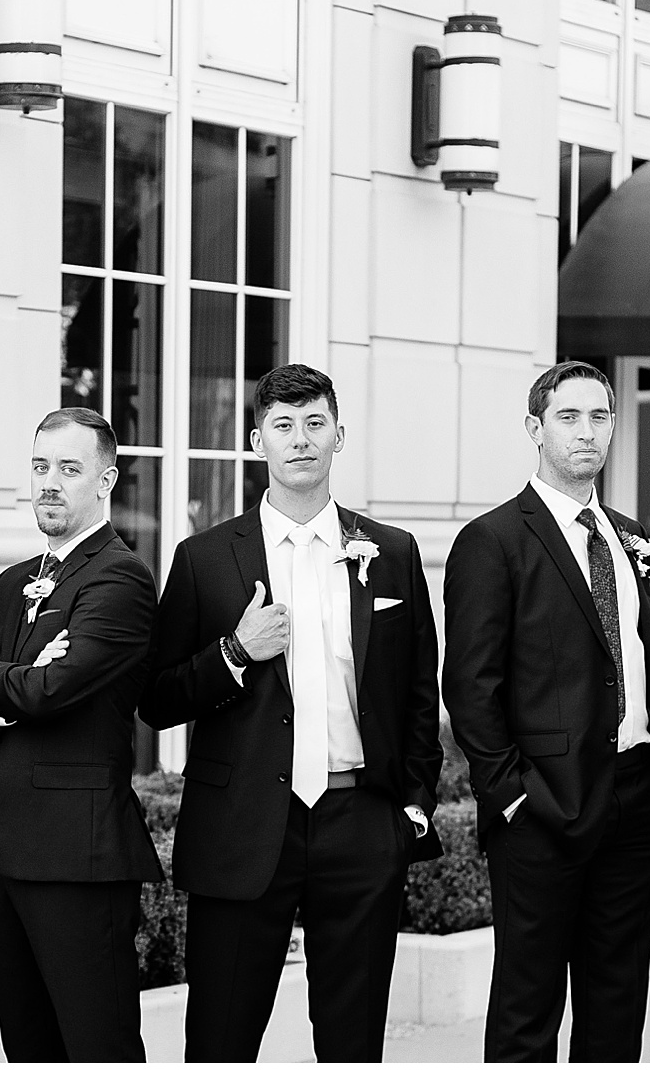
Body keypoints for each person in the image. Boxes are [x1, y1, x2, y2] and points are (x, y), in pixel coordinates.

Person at [141, 363, 443, 1062]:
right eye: (283, 425)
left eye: (314, 423)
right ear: (258, 441)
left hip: (361, 823)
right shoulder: (204, 558)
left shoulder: (392, 552)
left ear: (339, 435)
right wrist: (234, 652)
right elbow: (154, 698)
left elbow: (417, 694)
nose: (300, 439)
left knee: (352, 1043)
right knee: (219, 1041)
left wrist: (413, 808)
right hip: (241, 826)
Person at [442, 361, 650, 1062]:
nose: (586, 432)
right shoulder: (493, 540)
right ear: (535, 428)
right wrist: (511, 795)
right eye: (568, 417)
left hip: (638, 797)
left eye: (599, 417)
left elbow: (641, 658)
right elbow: (470, 685)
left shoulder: (628, 536)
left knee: (617, 1001)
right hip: (543, 806)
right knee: (528, 1007)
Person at [0, 407, 162, 1062]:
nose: (50, 482)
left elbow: (50, 690)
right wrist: (5, 683)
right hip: (4, 848)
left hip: (77, 853)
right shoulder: (15, 581)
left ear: (106, 480)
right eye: (41, 466)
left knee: (98, 1046)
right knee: (28, 1046)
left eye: (69, 468)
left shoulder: (120, 577)